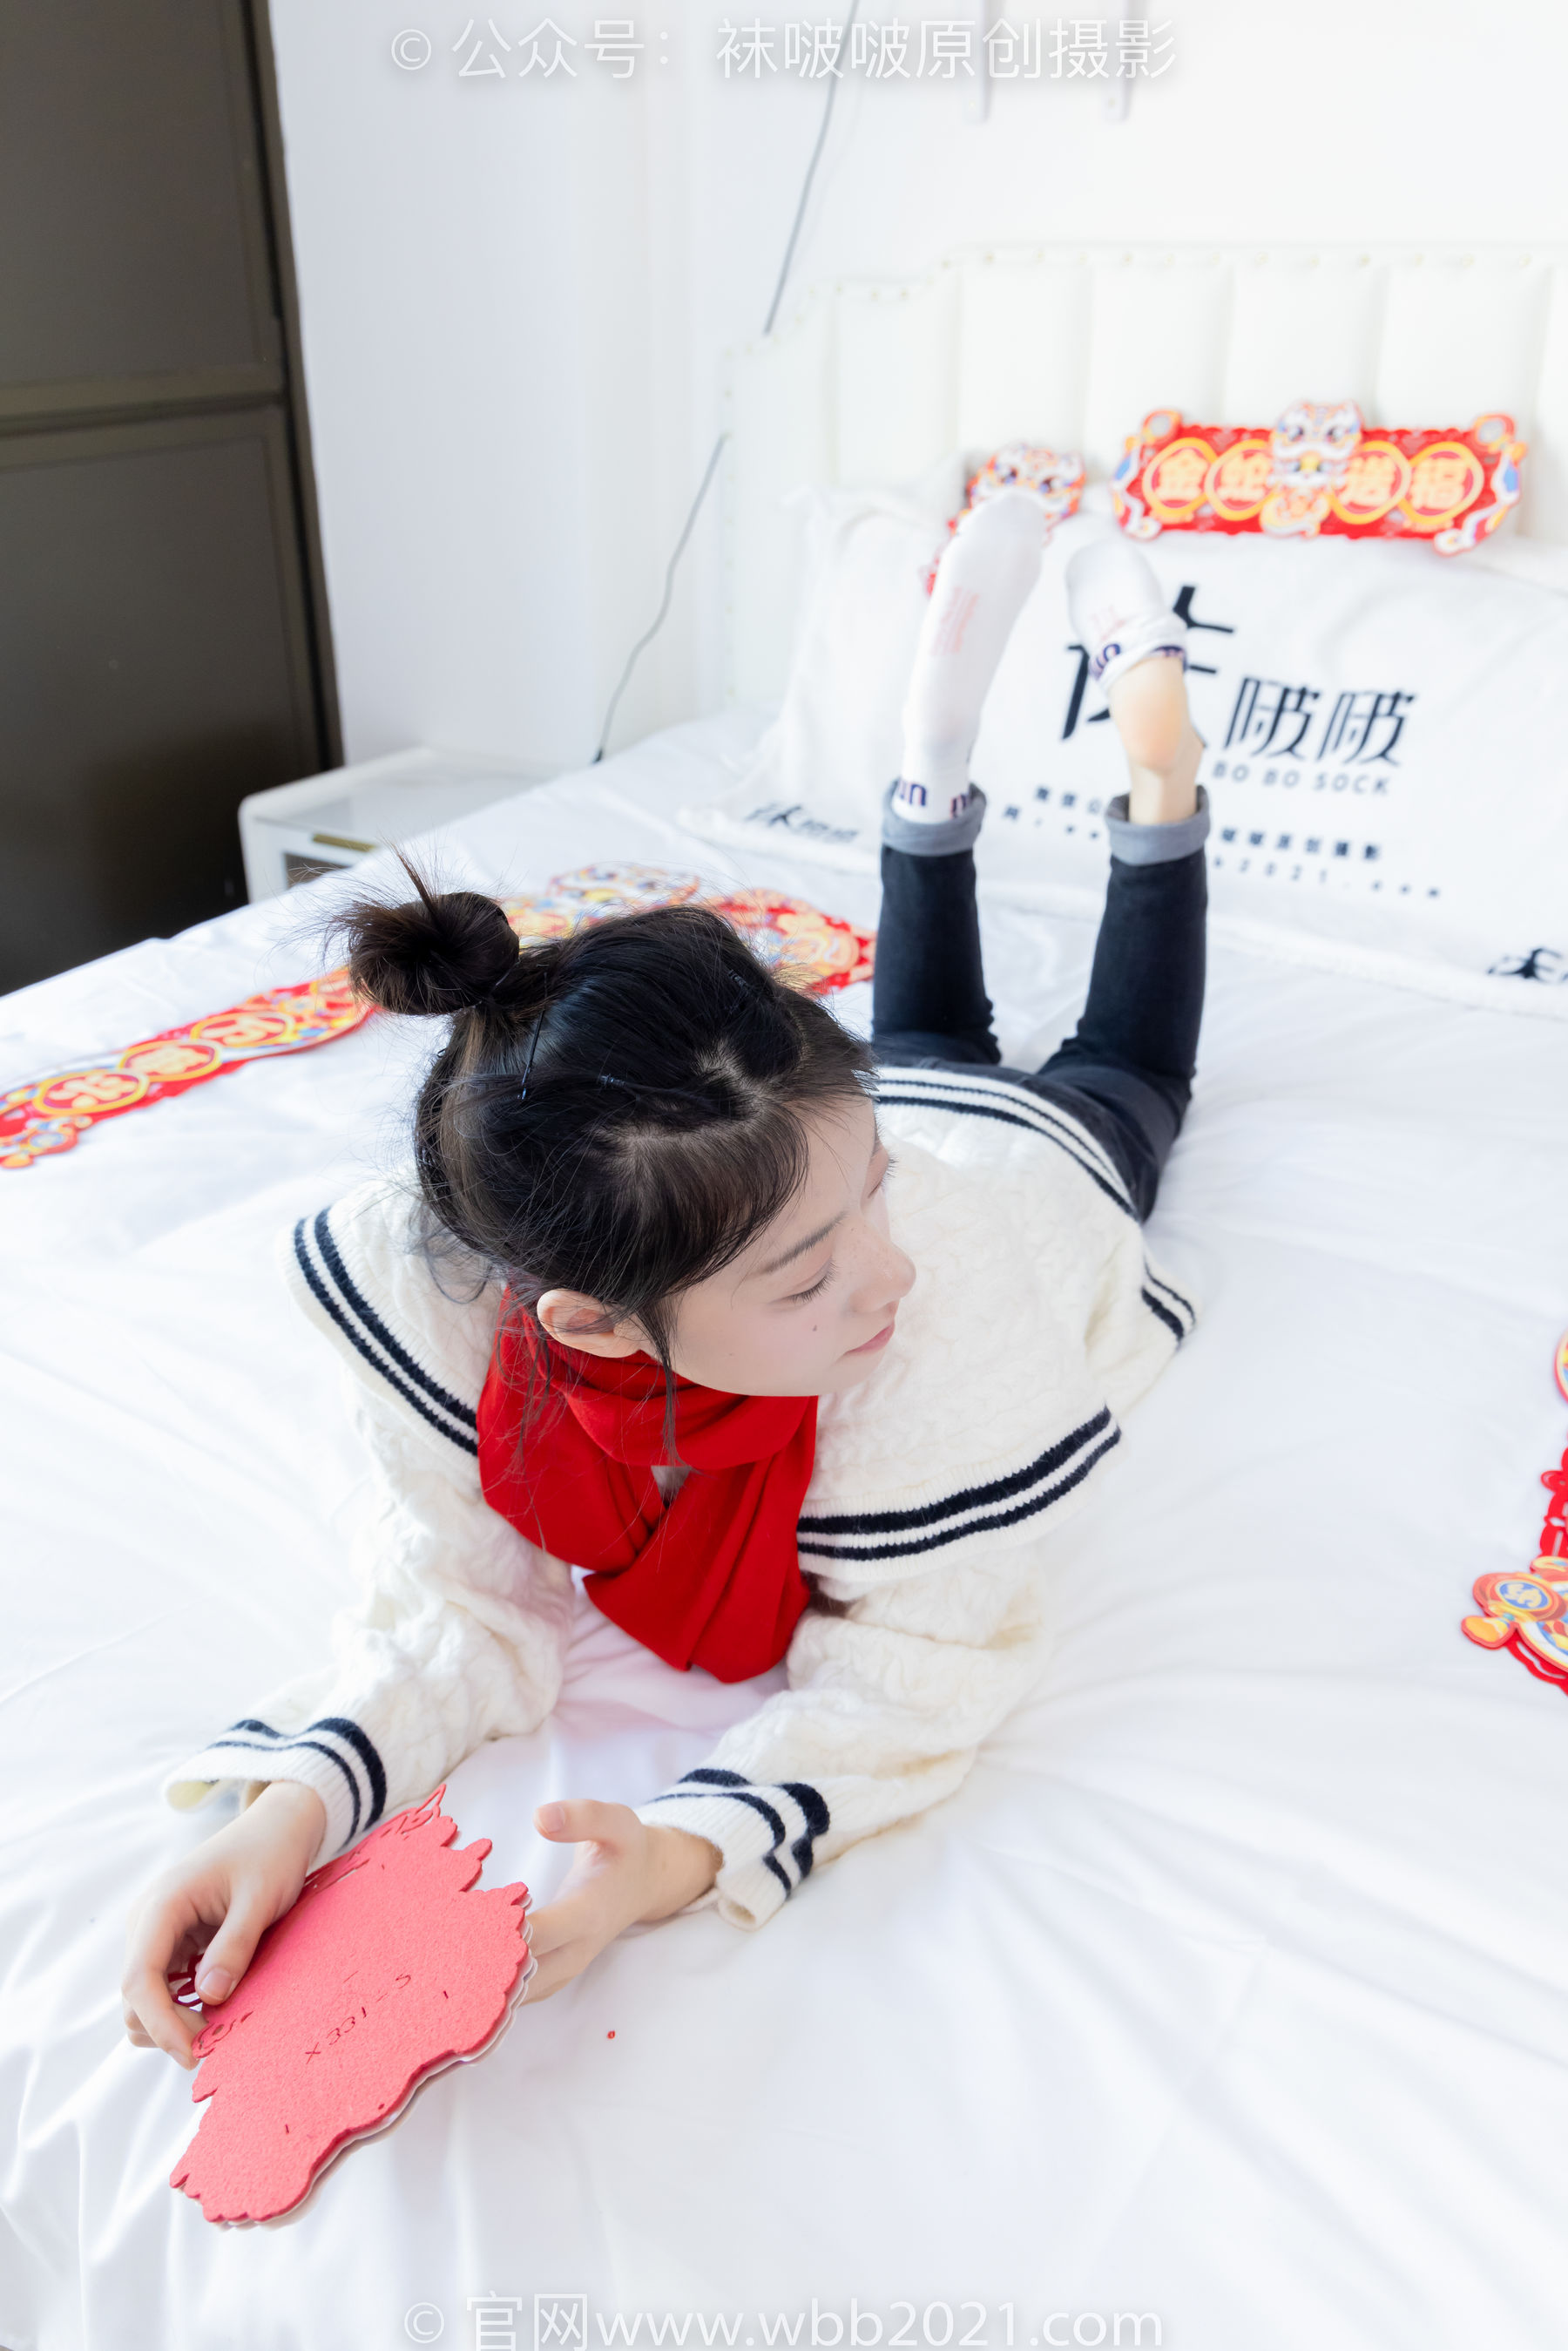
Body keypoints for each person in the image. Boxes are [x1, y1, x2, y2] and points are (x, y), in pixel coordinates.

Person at [121, 497, 1208, 2068]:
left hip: (1038, 1173)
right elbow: (455, 1594)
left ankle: (1145, 780)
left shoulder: (935, 1294)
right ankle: (933, 763)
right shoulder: (449, 1280)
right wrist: (292, 1806)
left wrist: (692, 1846)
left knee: (1120, 1070)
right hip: (836, 1138)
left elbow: (919, 1669)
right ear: (581, 1318)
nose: (885, 1277)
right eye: (807, 1282)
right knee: (923, 1051)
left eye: (869, 1212)